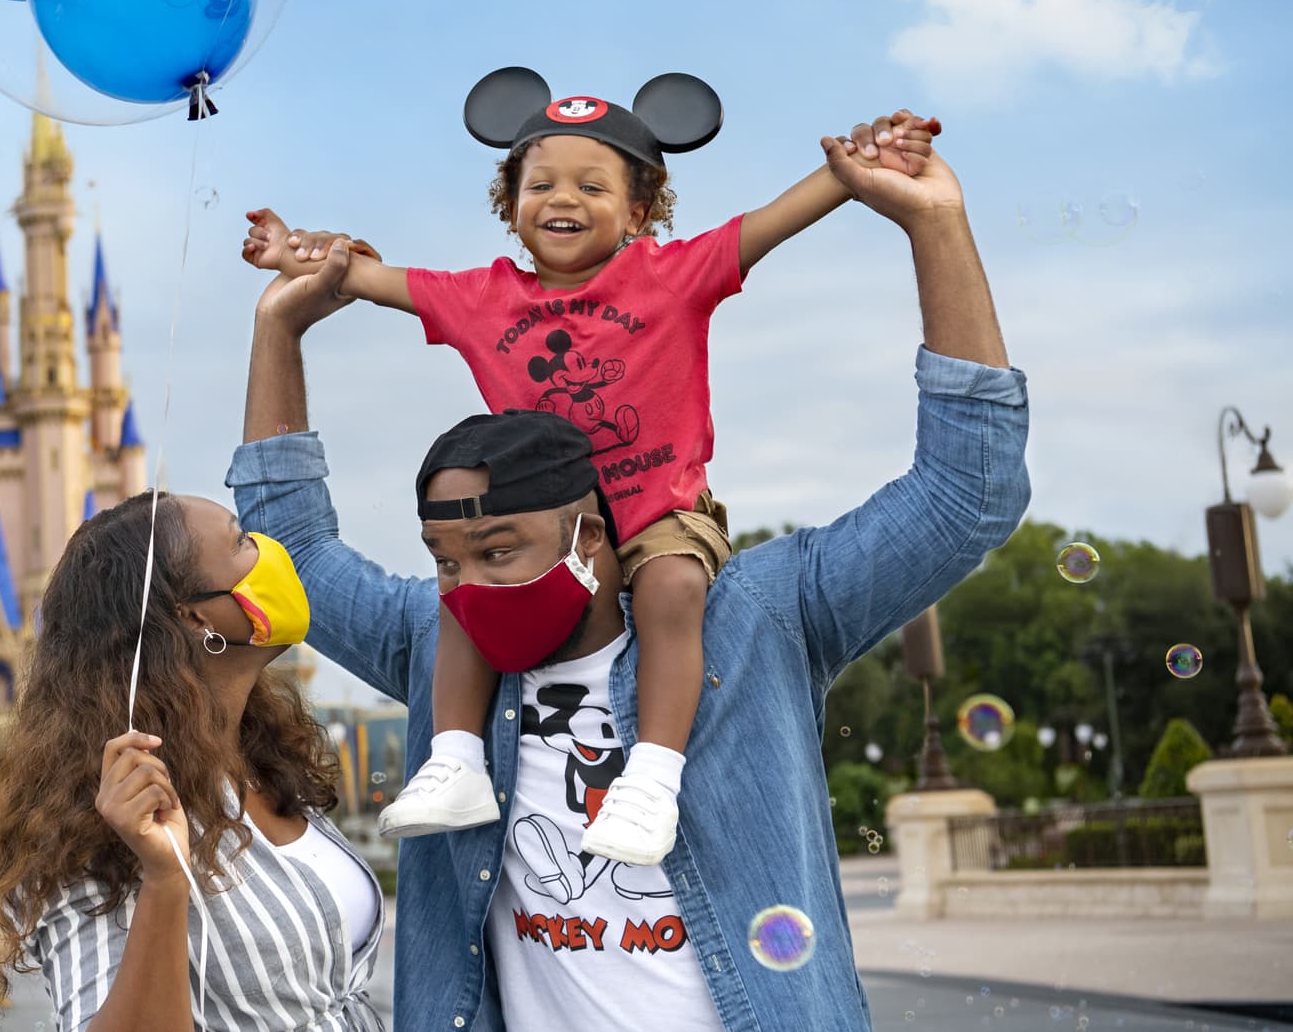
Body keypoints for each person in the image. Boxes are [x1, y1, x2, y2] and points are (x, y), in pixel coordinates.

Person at [230, 118, 1030, 1030]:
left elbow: (966, 495)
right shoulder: (436, 638)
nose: (472, 588)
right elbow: (286, 545)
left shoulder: (756, 621)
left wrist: (935, 225)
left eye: (500, 552)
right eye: (450, 560)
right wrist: (278, 328)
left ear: (591, 531)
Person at [243, 69, 939, 866]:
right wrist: (292, 250)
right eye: (539, 183)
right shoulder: (481, 298)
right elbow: (358, 275)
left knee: (673, 586)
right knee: (466, 589)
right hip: (546, 529)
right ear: (511, 205)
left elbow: (773, 221)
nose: (561, 198)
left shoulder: (673, 276)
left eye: (591, 184)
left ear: (638, 210)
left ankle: (650, 778)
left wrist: (857, 168)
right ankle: (457, 760)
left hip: (657, 514)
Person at [0, 491, 386, 1030]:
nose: (267, 550)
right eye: (241, 542)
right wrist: (164, 878)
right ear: (194, 615)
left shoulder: (258, 758)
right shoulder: (105, 815)